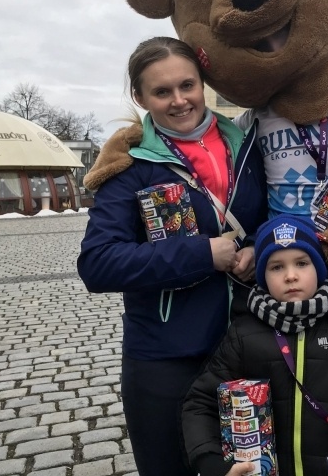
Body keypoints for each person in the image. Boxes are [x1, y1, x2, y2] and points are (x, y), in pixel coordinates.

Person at [77, 36, 268, 476]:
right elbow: (98, 263)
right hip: (166, 355)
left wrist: (261, 246)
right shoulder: (129, 166)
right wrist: (202, 254)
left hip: (249, 339)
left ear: (203, 84)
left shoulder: (246, 145)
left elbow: (273, 216)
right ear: (140, 97)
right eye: (162, 92)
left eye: (188, 85)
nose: (180, 101)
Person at [182, 215, 328, 476]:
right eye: (276, 267)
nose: (290, 276)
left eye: (301, 263)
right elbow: (200, 403)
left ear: (319, 268)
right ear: (263, 275)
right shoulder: (243, 334)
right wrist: (212, 465)